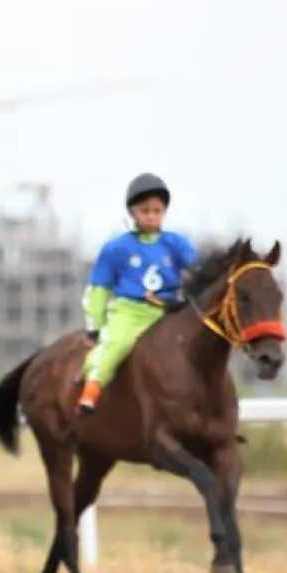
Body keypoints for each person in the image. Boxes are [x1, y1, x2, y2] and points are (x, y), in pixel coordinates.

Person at [76, 172, 199, 414]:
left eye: (157, 210)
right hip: (129, 312)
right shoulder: (116, 249)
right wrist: (95, 326)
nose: (152, 216)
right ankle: (91, 388)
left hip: (167, 313)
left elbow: (199, 273)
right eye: (145, 211)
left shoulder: (177, 244)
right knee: (117, 344)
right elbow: (99, 289)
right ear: (133, 212)